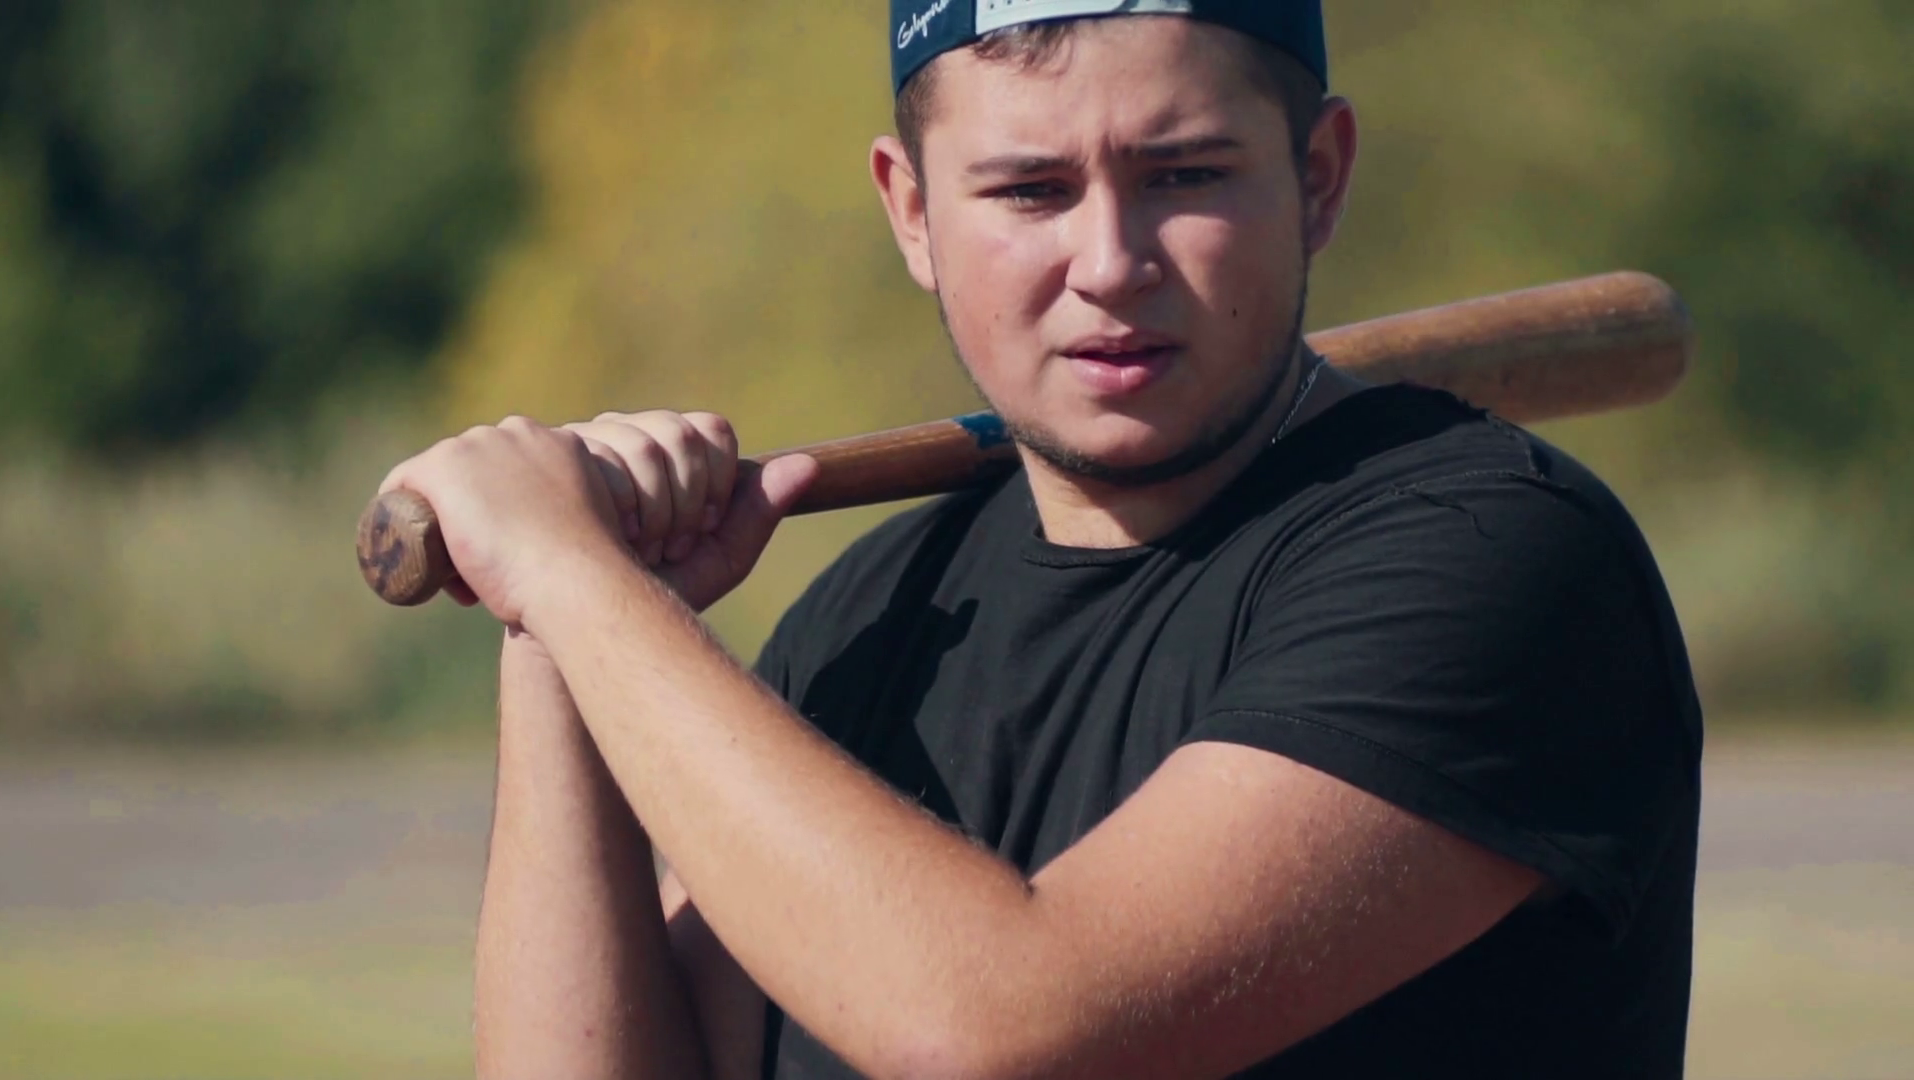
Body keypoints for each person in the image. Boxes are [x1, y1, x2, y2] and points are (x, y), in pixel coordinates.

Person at [381, 2, 1704, 1077]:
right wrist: (559, 629)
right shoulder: (880, 612)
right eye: (1028, 190)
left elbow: (1004, 1027)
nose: (1109, 260)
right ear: (910, 210)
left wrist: (570, 572)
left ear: (1318, 176)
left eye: (1183, 175)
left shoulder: (1492, 555)